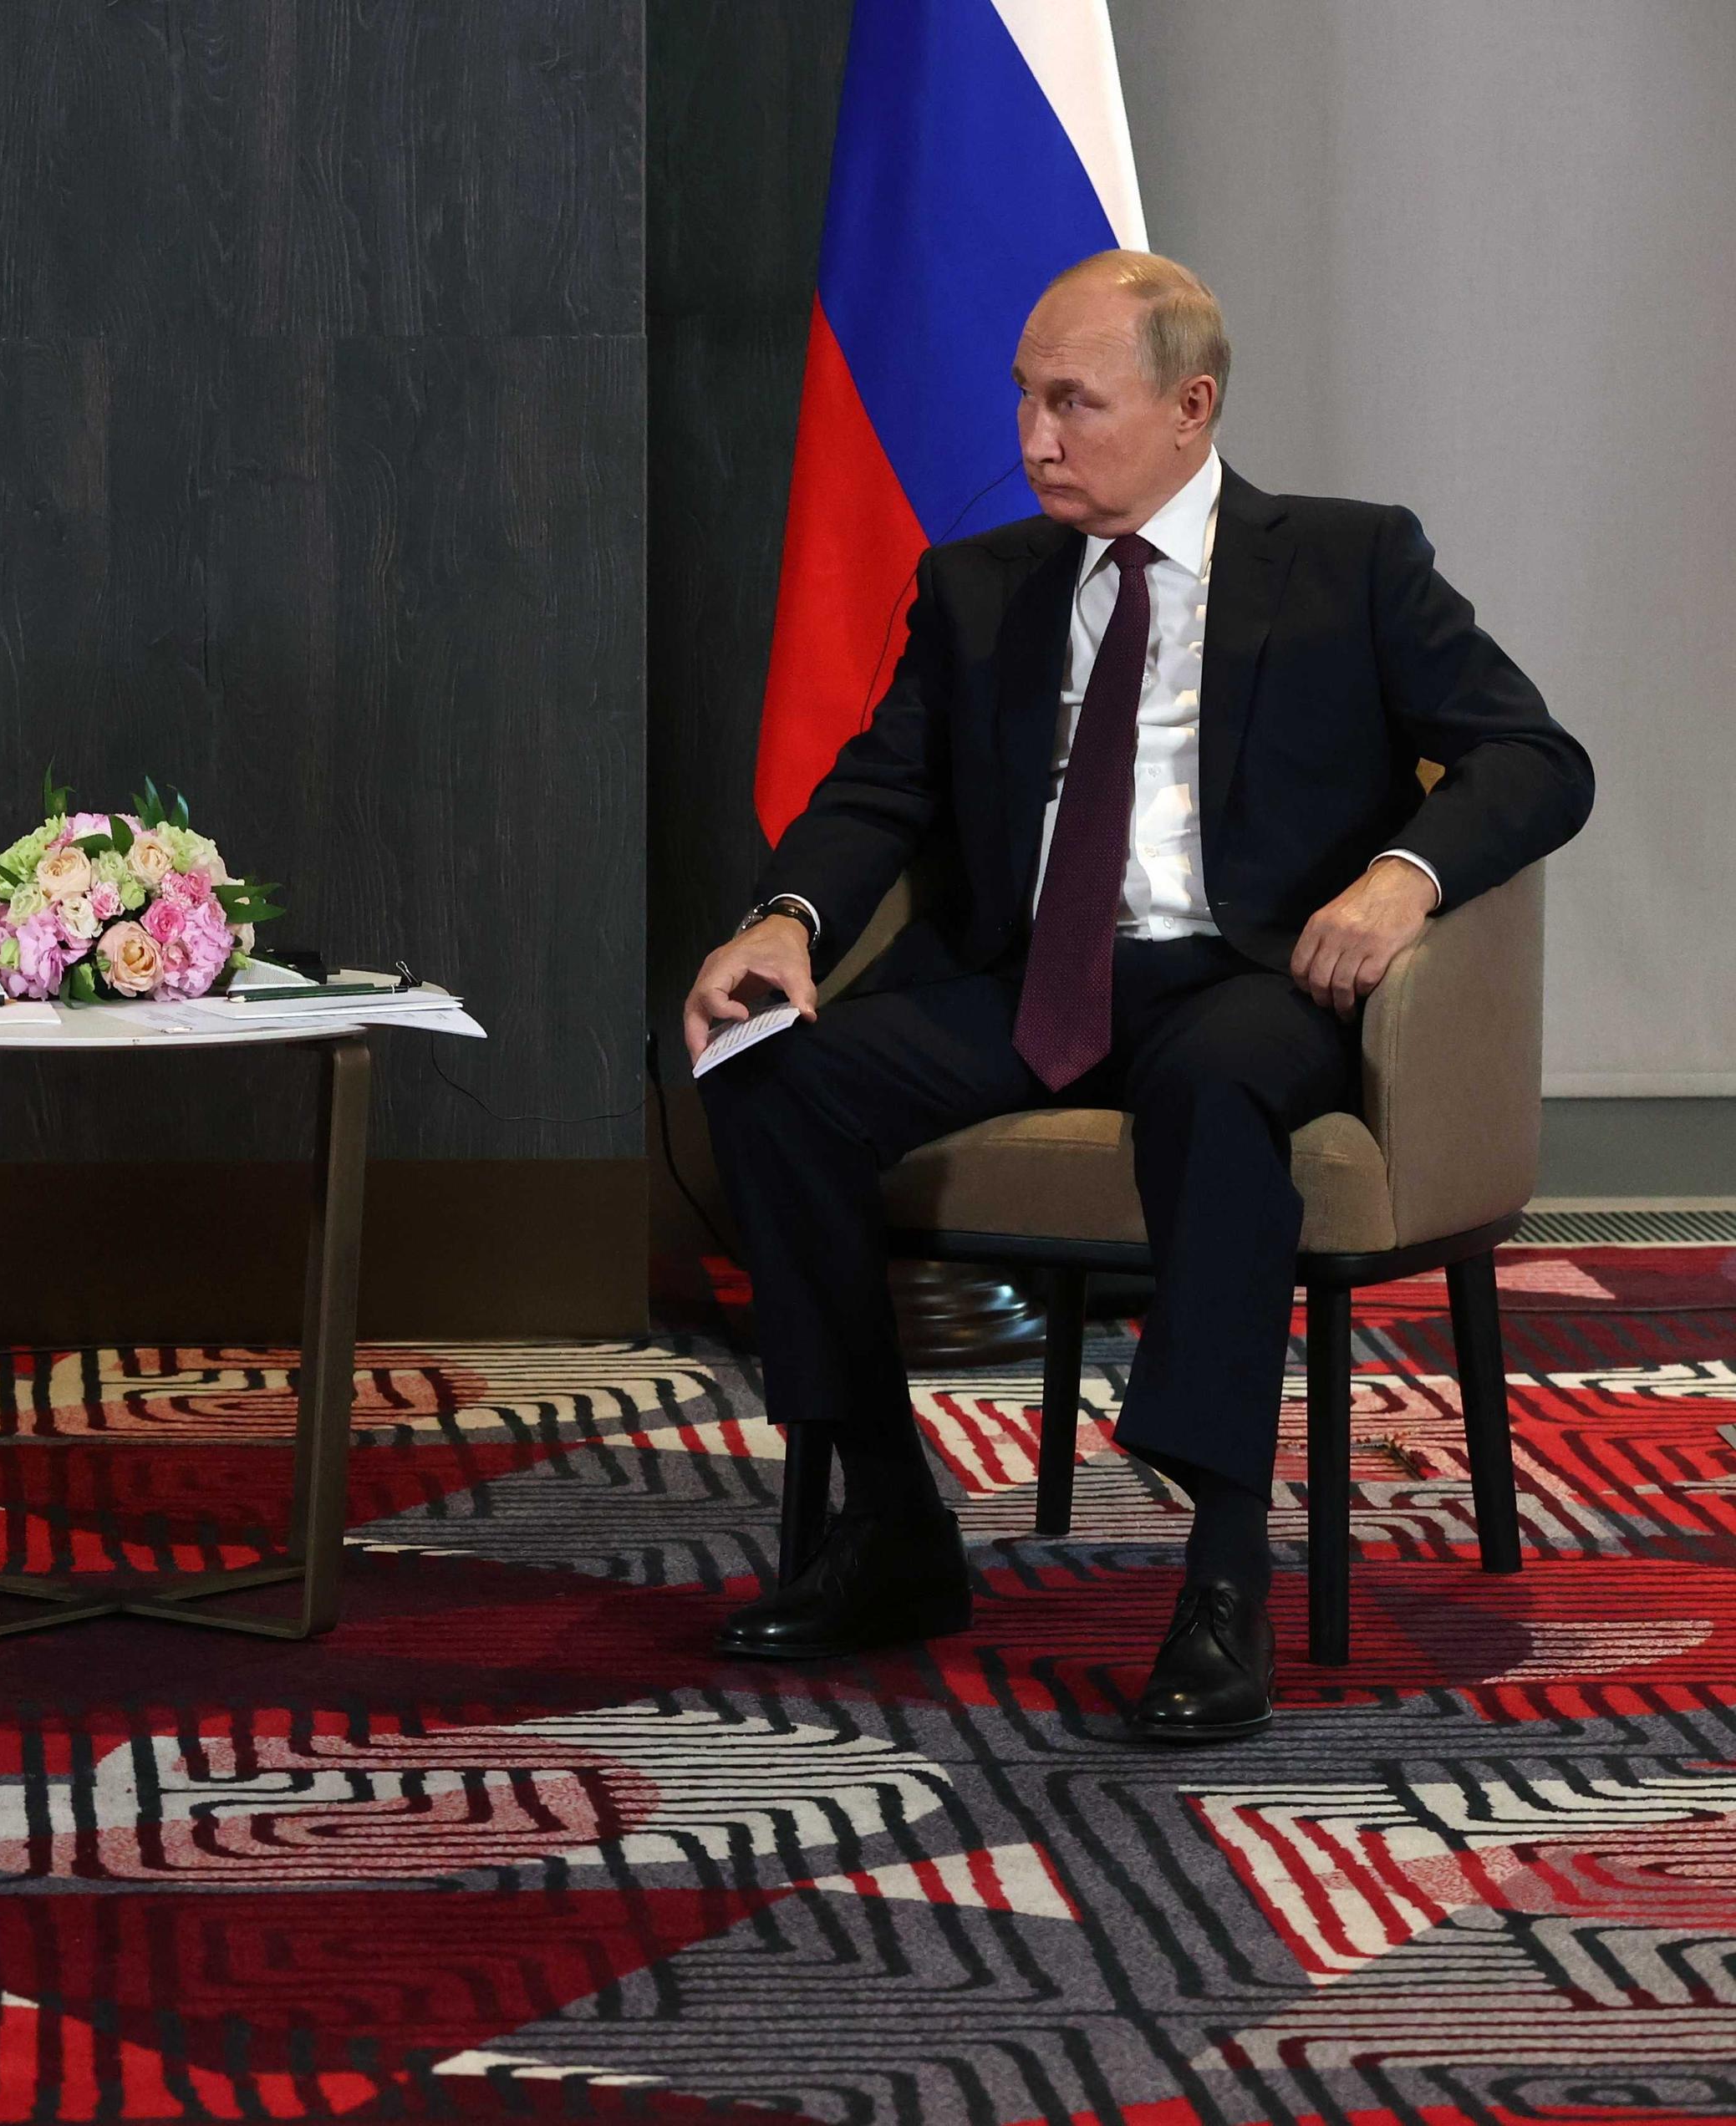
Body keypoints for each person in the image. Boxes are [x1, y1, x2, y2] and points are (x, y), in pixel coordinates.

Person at [682, 250, 1593, 1743]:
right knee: (767, 1072)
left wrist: (1401, 880)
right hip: (1025, 978)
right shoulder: (979, 587)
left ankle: (1224, 1573)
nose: (1034, 439)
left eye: (1073, 403)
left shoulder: (1349, 563)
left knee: (1214, 1087)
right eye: (1026, 401)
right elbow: (881, 793)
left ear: (1192, 406)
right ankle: (892, 1520)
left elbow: (1537, 760)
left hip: (1246, 978)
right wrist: (785, 920)